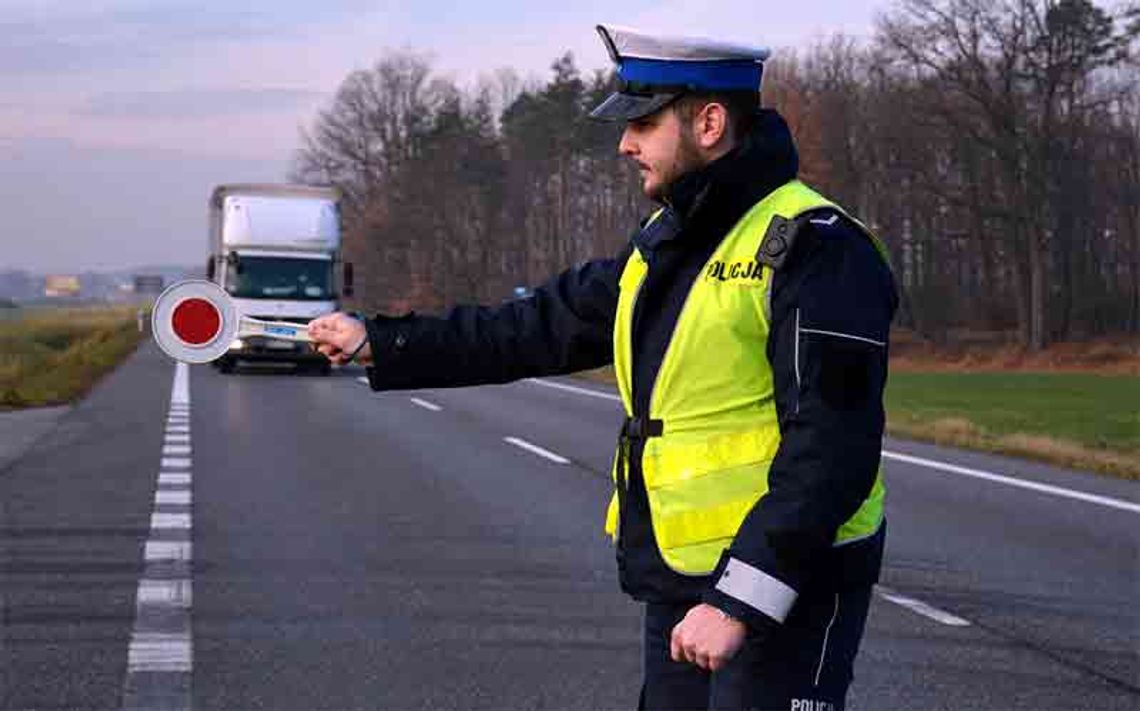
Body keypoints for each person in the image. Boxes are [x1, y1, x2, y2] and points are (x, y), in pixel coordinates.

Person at [308, 24, 897, 711]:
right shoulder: (666, 243)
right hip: (683, 579)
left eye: (643, 124)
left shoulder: (816, 246)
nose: (624, 144)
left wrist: (740, 598)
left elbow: (833, 448)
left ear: (708, 122)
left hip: (785, 585)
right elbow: (531, 328)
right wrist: (379, 340)